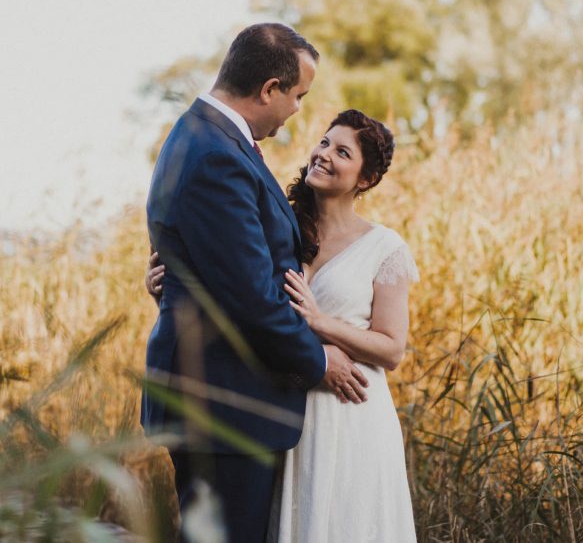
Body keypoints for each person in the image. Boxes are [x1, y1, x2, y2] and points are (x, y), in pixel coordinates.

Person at [141, 23, 369, 543]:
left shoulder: (202, 136)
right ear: (269, 89)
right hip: (222, 400)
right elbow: (251, 298)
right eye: (296, 96)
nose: (296, 111)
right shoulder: (216, 155)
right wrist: (319, 361)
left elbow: (212, 261)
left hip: (220, 396)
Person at [146, 109, 419, 542]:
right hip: (281, 405)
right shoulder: (280, 224)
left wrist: (319, 321)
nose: (324, 154)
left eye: (342, 152)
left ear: (365, 179)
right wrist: (168, 288)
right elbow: (237, 291)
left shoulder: (384, 247)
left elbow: (391, 349)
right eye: (325, 142)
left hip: (349, 410)